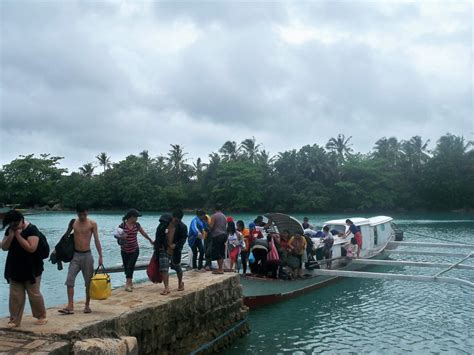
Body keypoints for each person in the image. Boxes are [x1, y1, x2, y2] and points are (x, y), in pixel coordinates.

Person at [2, 210, 48, 328]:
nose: (14, 226)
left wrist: (18, 235)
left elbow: (31, 248)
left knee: (34, 293)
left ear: (22, 220)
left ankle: (41, 316)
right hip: (15, 267)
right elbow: (4, 247)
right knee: (15, 295)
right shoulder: (10, 230)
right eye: (11, 225)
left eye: (16, 224)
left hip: (32, 268)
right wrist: (11, 235)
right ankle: (14, 320)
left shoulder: (32, 230)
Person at [58, 204, 103, 315]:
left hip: (87, 255)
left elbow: (97, 240)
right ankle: (70, 306)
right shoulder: (73, 223)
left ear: (87, 212)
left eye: (84, 214)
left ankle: (87, 305)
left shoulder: (92, 224)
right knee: (69, 280)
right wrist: (57, 252)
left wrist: (100, 256)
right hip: (75, 256)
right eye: (80, 214)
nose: (82, 216)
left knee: (88, 282)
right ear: (77, 213)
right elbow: (65, 238)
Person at [119, 209, 153, 292]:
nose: (137, 219)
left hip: (134, 249)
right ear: (131, 217)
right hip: (124, 250)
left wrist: (150, 240)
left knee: (130, 266)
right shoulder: (122, 225)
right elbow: (117, 236)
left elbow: (143, 233)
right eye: (136, 217)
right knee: (126, 267)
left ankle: (127, 285)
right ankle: (130, 283)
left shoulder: (137, 225)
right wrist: (122, 237)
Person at [154, 210, 188, 295]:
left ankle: (180, 283)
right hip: (164, 248)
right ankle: (166, 288)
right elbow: (158, 234)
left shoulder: (182, 227)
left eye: (178, 221)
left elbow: (183, 239)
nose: (176, 222)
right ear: (172, 217)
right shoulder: (164, 224)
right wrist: (158, 245)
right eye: (175, 220)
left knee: (177, 267)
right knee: (164, 268)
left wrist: (176, 245)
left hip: (175, 250)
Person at [209, 204, 227, 274]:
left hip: (217, 235)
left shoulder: (214, 216)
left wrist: (207, 225)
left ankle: (220, 269)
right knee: (221, 251)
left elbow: (211, 227)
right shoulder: (224, 216)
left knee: (217, 252)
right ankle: (221, 268)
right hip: (224, 235)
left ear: (215, 209)